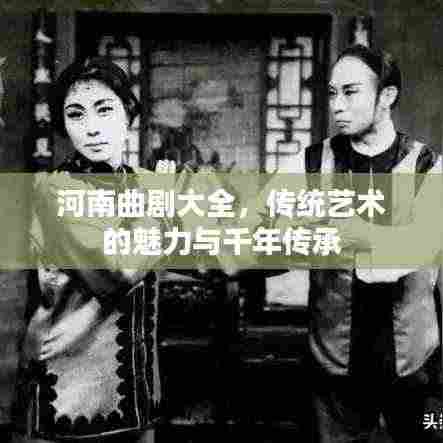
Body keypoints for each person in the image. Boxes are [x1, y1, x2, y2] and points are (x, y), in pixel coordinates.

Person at [296, 44, 442, 442]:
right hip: (334, 370)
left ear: (386, 96)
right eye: (332, 93)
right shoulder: (309, 164)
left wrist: (346, 228)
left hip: (414, 369)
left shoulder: (428, 166)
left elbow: (412, 250)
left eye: (350, 92)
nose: (337, 105)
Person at [12, 57, 162, 443]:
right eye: (76, 114)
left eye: (104, 110)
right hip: (68, 381)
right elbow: (112, 274)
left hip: (135, 384)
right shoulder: (56, 189)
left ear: (129, 113)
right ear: (64, 126)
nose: (91, 127)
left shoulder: (143, 184)